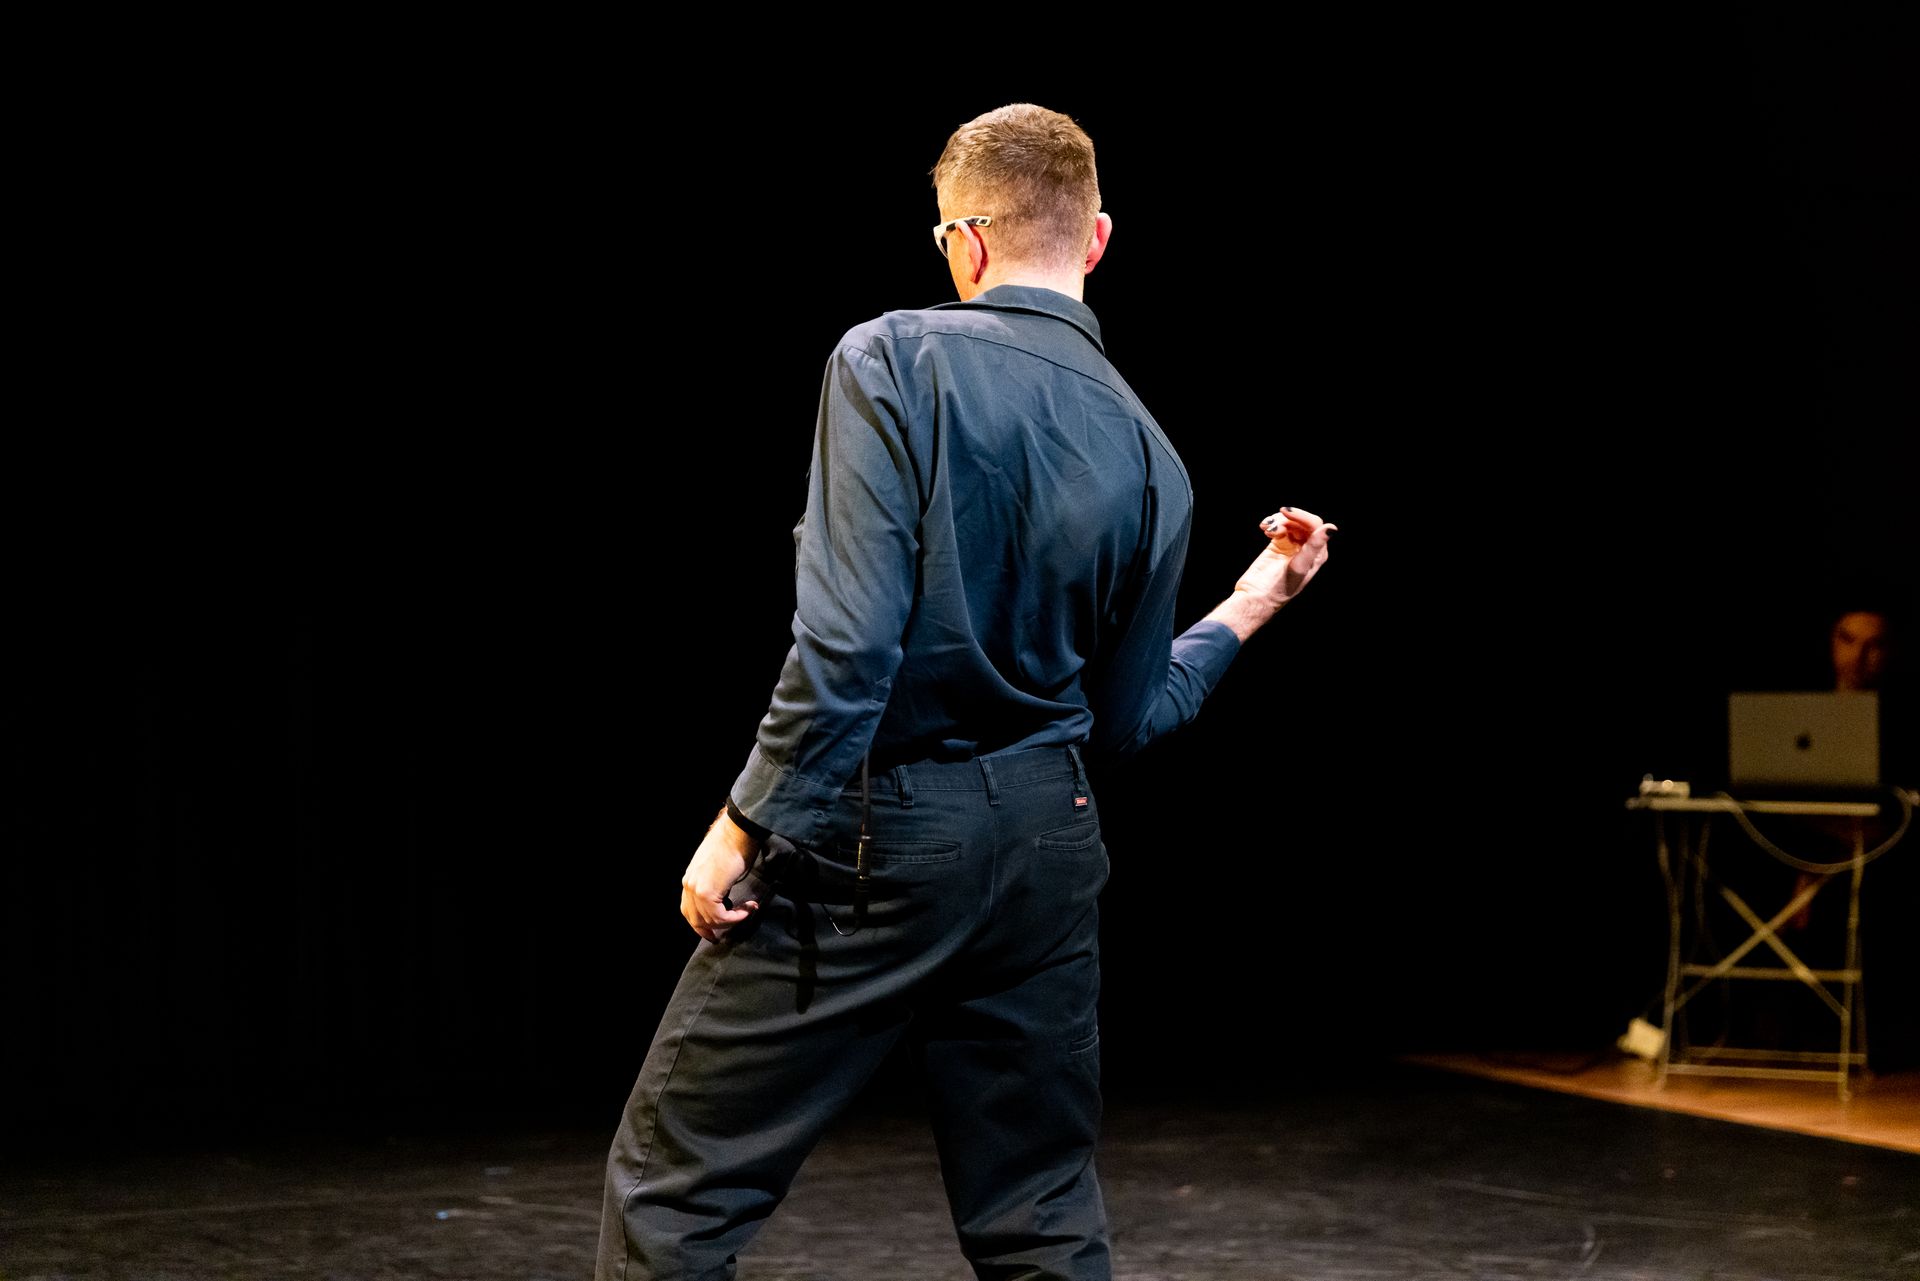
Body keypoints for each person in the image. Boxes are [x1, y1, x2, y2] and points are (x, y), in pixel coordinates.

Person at [596, 103, 1336, 1281]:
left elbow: (847, 646)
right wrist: (1252, 605)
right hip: (1050, 846)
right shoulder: (1156, 454)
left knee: (675, 1192)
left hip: (884, 833)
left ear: (962, 243)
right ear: (1096, 240)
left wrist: (747, 820)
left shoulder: (891, 357)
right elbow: (1132, 720)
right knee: (1038, 1214)